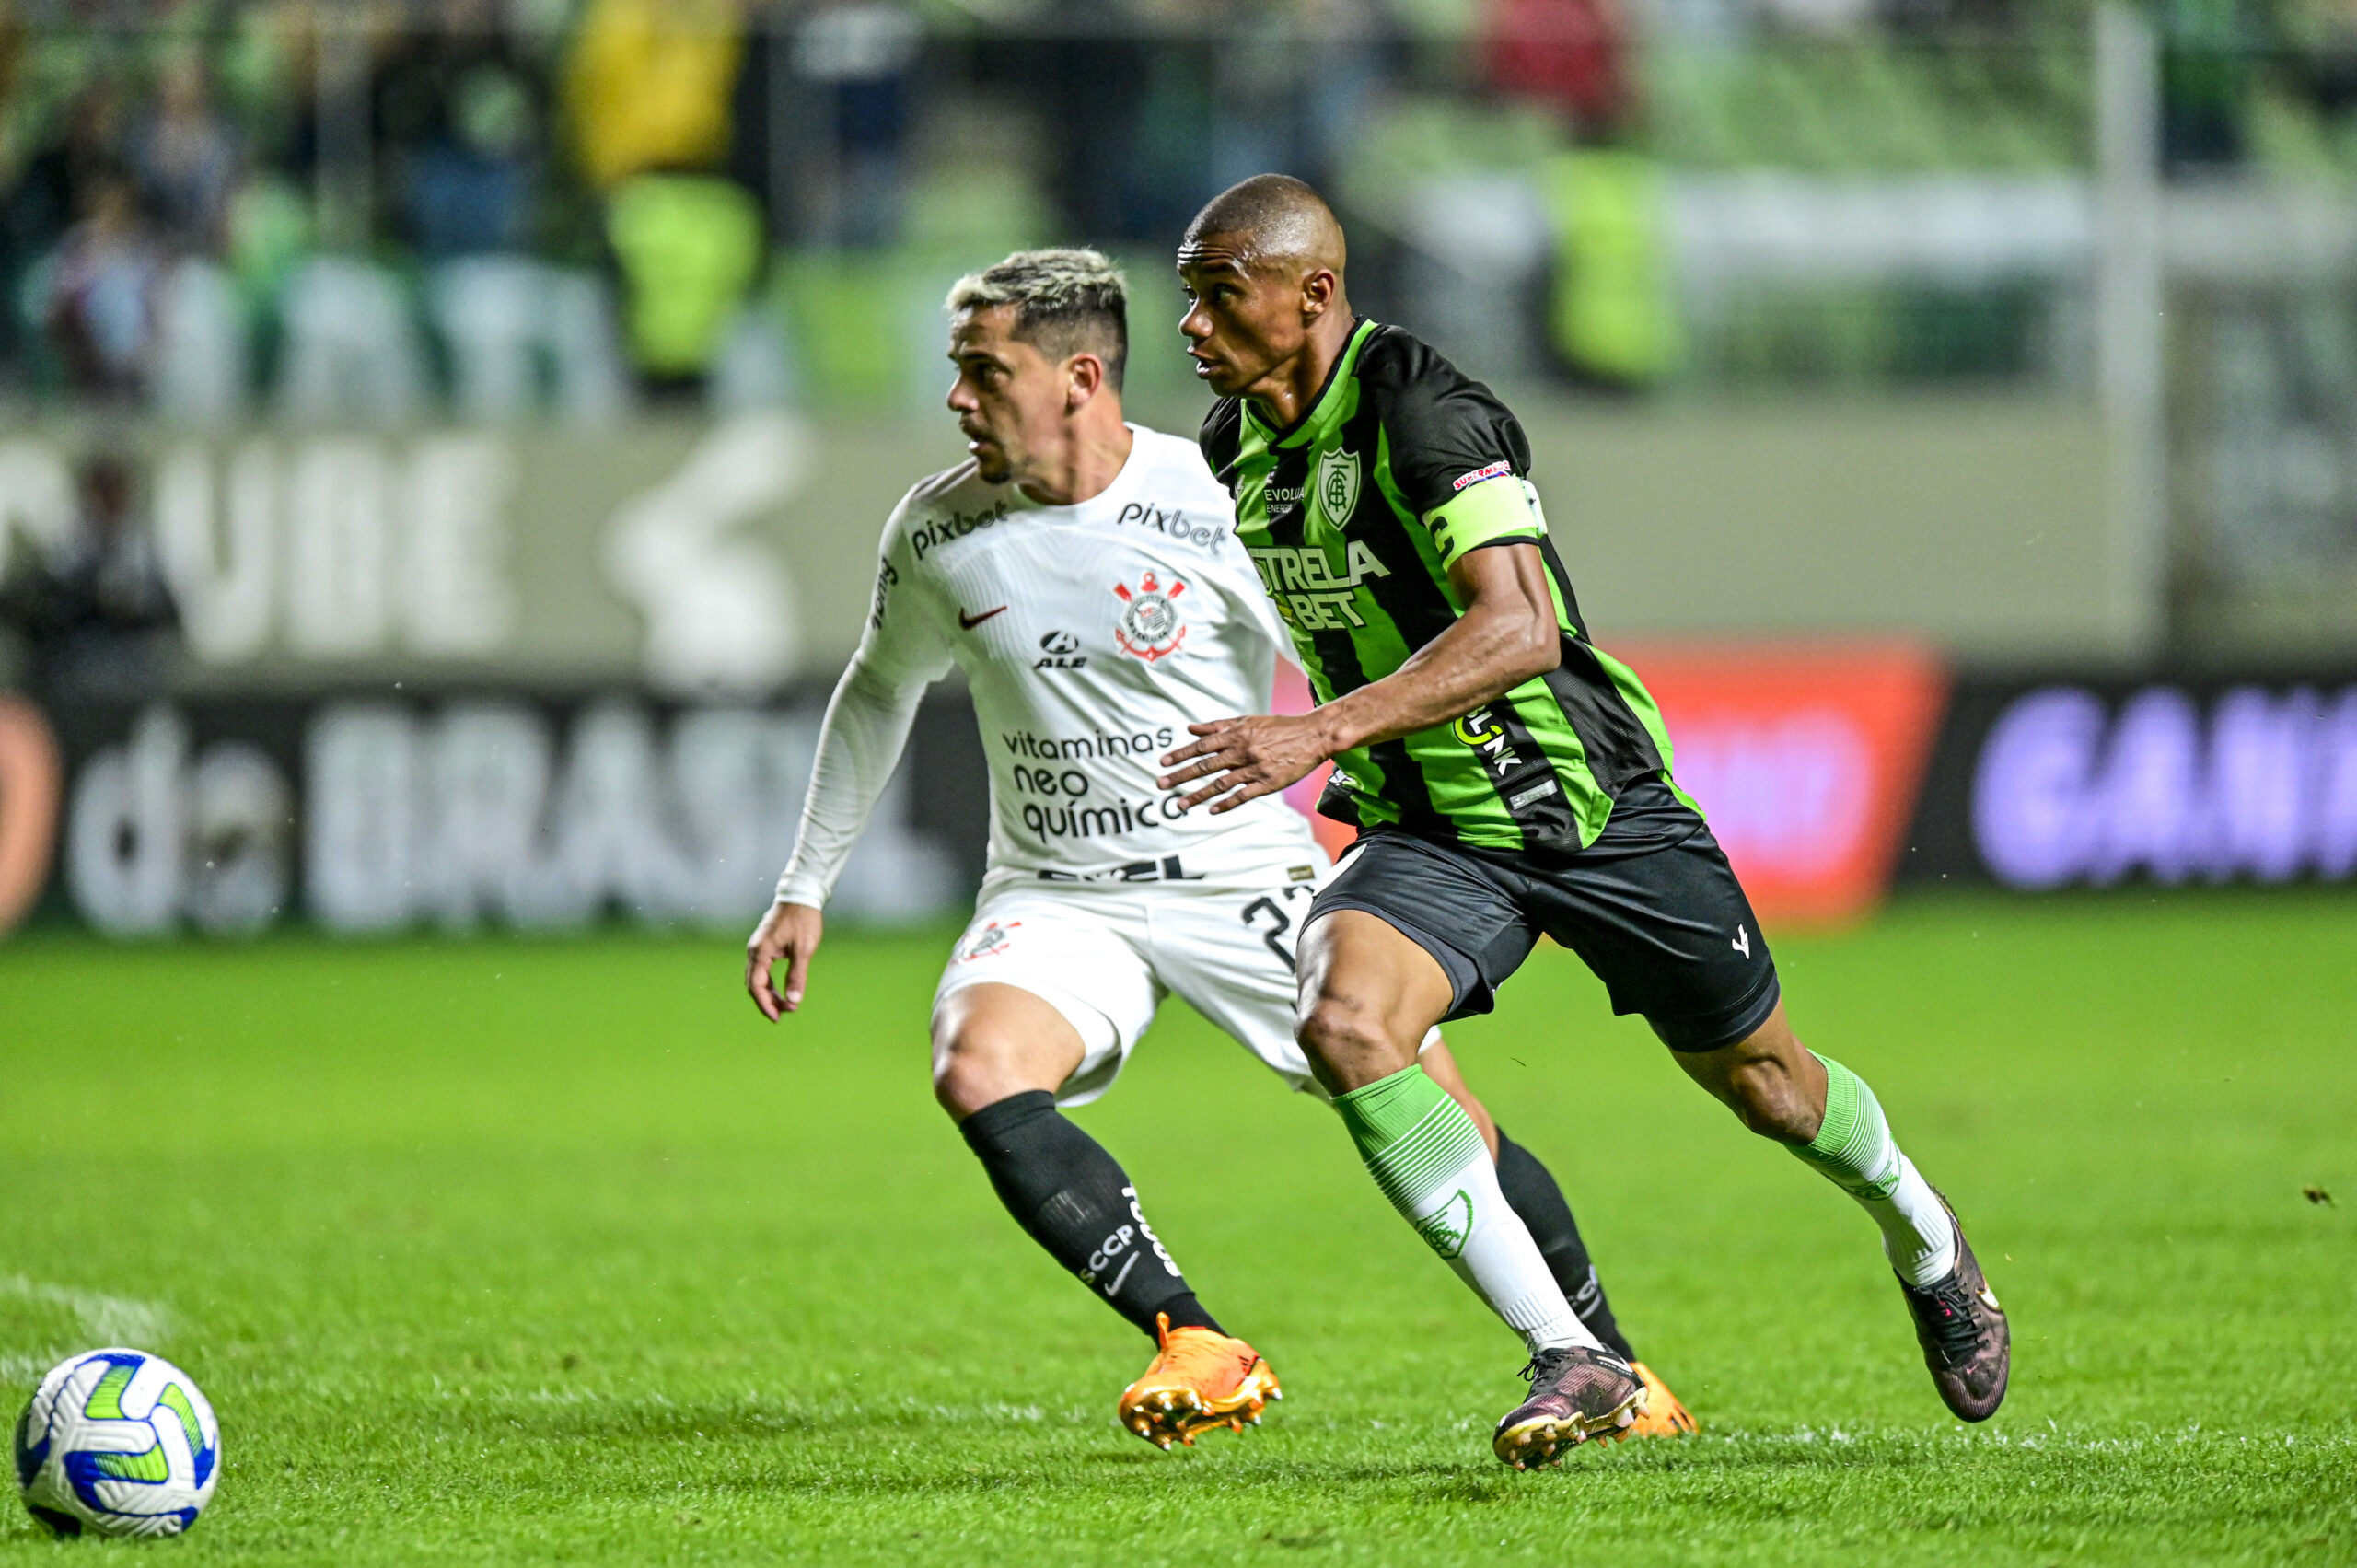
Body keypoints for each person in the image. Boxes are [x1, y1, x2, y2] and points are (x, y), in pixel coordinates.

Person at [744, 248, 1695, 1453]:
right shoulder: (938, 530)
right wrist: (803, 888)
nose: (958, 399)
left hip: (1242, 875)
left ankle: (1608, 1362)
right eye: (957, 373)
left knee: (1439, 1113)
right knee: (976, 1064)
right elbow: (875, 693)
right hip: (1058, 889)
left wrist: (1439, 810)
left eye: (984, 372)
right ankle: (1193, 1338)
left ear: (1078, 376)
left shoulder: (1214, 498)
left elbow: (1366, 648)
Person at [1160, 175, 2009, 1469]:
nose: (1195, 327)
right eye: (1188, 298)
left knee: (1771, 1090)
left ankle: (1925, 1235)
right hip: (1434, 830)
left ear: (1313, 293)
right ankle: (1576, 1352)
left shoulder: (1423, 408)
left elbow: (1520, 626)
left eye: (1222, 295)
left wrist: (1318, 730)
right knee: (1344, 1020)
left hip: (1592, 811)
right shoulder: (1237, 445)